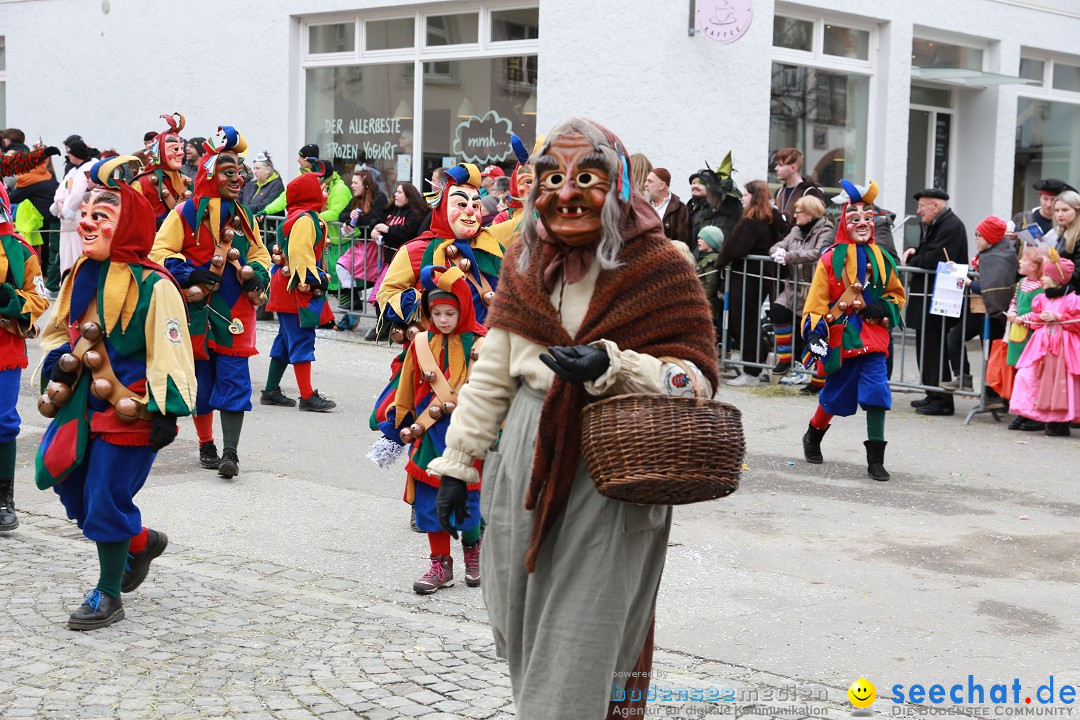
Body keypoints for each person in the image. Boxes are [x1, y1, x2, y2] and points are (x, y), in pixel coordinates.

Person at [428, 117, 719, 719]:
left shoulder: (662, 264)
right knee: (519, 623)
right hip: (525, 460)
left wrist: (614, 366)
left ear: (616, 186)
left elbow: (695, 381)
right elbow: (493, 367)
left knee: (580, 641)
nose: (566, 193)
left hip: (612, 469)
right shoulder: (526, 257)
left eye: (586, 176)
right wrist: (458, 461)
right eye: (552, 177)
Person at [36, 156, 197, 630]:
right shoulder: (79, 274)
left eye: (100, 216)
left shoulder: (156, 284)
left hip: (132, 411)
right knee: (71, 489)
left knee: (106, 498)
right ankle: (141, 541)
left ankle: (108, 594)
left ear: (125, 224)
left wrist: (168, 411)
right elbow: (56, 332)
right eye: (84, 212)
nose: (85, 221)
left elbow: (173, 349)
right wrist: (54, 366)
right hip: (81, 408)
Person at [149, 127, 271, 478]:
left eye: (240, 172)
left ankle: (231, 451)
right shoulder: (186, 212)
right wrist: (189, 273)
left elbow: (261, 252)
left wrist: (255, 274)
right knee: (200, 382)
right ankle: (206, 444)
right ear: (210, 175)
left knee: (234, 379)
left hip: (237, 311)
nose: (238, 178)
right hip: (197, 309)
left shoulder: (245, 215)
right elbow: (160, 251)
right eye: (228, 172)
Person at [371, 266, 486, 593]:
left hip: (467, 435)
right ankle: (440, 564)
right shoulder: (421, 343)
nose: (444, 319)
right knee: (429, 501)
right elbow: (405, 389)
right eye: (436, 313)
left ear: (463, 308)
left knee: (469, 501)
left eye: (451, 312)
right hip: (429, 435)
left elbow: (496, 392)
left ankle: (473, 552)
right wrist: (396, 429)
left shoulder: (480, 342)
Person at [800, 179, 906, 481]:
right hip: (841, 336)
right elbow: (816, 301)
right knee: (834, 396)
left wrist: (882, 308)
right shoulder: (829, 259)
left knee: (877, 393)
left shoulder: (883, 258)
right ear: (845, 221)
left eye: (867, 217)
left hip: (872, 337)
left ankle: (875, 460)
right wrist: (815, 331)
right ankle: (813, 435)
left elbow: (896, 295)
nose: (862, 223)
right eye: (854, 217)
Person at [377, 166, 512, 329]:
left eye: (476, 206)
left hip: (482, 349)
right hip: (435, 350)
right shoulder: (415, 250)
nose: (470, 210)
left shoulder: (490, 244)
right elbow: (387, 294)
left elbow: (526, 221)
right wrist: (422, 307)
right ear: (443, 208)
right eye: (461, 204)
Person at [261, 158, 337, 412]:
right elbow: (300, 254)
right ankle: (306, 396)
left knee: (285, 340)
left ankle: (271, 390)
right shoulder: (306, 219)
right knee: (302, 337)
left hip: (287, 285)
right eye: (321, 188)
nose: (325, 192)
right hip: (296, 287)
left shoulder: (302, 216)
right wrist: (311, 281)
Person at [0, 183, 50, 532]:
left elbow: (39, 296)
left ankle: (4, 499)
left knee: (3, 422)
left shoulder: (19, 249)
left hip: (4, 350)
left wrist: (13, 302)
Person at [903, 188, 969, 416]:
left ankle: (941, 399)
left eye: (922, 206)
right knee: (926, 347)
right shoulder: (940, 224)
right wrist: (916, 253)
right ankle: (932, 393)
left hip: (938, 298)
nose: (918, 211)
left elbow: (935, 259)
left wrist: (912, 257)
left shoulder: (950, 226)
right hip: (931, 297)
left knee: (934, 348)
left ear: (936, 206)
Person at [1009, 250, 1080, 436]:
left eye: (1047, 276)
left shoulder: (1072, 300)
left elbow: (1077, 321)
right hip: (1042, 346)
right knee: (1030, 376)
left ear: (1057, 279)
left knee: (1061, 383)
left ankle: (1061, 421)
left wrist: (1059, 317)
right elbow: (1035, 316)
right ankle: (1042, 415)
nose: (1043, 278)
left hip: (1063, 348)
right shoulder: (1043, 298)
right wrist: (1025, 318)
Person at [942, 216, 1014, 399]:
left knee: (991, 354)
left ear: (990, 237)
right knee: (954, 337)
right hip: (979, 311)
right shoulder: (988, 254)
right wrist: (958, 269)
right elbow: (982, 277)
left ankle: (994, 397)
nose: (976, 239)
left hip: (995, 313)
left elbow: (991, 288)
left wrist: (967, 282)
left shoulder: (1001, 255)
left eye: (979, 235)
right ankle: (963, 378)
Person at [768, 195, 834, 390]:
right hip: (794, 286)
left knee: (815, 332)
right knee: (778, 311)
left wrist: (789, 256)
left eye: (799, 212)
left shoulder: (826, 230)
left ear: (811, 213)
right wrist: (777, 252)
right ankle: (786, 359)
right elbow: (779, 245)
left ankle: (818, 380)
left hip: (816, 288)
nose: (794, 215)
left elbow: (818, 252)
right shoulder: (796, 229)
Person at [720, 179, 782, 386]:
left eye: (745, 195)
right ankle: (758, 360)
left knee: (743, 320)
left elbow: (734, 248)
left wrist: (720, 263)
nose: (742, 199)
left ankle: (752, 370)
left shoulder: (752, 221)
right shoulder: (768, 219)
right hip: (758, 276)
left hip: (748, 276)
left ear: (754, 197)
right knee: (749, 319)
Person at [335, 169, 388, 333]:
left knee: (376, 282)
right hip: (361, 243)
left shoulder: (379, 197)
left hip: (375, 245)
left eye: (355, 183)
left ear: (365, 184)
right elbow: (340, 216)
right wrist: (350, 216)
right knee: (341, 266)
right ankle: (354, 305)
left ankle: (381, 322)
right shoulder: (356, 199)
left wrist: (356, 220)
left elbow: (374, 218)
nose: (352, 185)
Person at [367, 181, 428, 318]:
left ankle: (388, 326)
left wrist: (388, 229)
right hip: (388, 260)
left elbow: (407, 232)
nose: (395, 195)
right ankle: (381, 325)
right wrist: (375, 229)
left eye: (400, 192)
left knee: (389, 294)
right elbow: (375, 219)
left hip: (403, 262)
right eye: (396, 191)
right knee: (380, 293)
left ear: (409, 196)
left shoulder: (414, 213)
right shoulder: (391, 209)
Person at [1005, 246, 1047, 431]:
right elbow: (1014, 300)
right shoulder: (1021, 283)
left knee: (1030, 376)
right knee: (1019, 375)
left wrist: (1025, 318)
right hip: (1018, 332)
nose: (1020, 262)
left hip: (1031, 335)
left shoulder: (1042, 288)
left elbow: (1040, 311)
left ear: (1035, 266)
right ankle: (1022, 412)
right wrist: (1013, 311)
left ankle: (1032, 414)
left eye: (1024, 259)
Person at [131, 114, 193, 229]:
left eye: (181, 148)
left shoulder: (186, 180)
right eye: (175, 149)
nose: (181, 153)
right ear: (159, 151)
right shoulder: (142, 183)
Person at [51, 139, 94, 278]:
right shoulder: (73, 170)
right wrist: (59, 203)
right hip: (67, 221)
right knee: (66, 254)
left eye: (69, 153)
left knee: (78, 252)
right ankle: (66, 281)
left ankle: (77, 280)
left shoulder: (88, 168)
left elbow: (79, 194)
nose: (67, 156)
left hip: (77, 220)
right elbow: (61, 190)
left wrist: (67, 209)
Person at [687, 152, 743, 257]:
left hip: (720, 262)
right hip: (704, 260)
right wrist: (692, 260)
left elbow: (729, 239)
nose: (709, 194)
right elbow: (701, 239)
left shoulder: (734, 208)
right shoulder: (706, 209)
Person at [772, 147, 824, 235]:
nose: (776, 168)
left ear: (793, 168)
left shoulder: (810, 192)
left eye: (780, 165)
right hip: (779, 245)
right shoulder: (779, 192)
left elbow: (815, 224)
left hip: (798, 244)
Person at [644, 167, 691, 247]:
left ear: (661, 186)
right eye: (646, 180)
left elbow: (683, 242)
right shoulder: (643, 206)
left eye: (650, 181)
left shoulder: (680, 209)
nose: (645, 184)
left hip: (667, 256)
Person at [696, 225, 724, 335]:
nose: (698, 241)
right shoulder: (704, 258)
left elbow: (711, 283)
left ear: (711, 242)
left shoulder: (711, 260)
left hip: (706, 302)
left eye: (702, 238)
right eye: (698, 238)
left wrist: (702, 300)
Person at [239, 152, 285, 216]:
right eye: (254, 168)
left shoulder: (277, 185)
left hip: (267, 224)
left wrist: (243, 210)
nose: (255, 172)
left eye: (258, 168)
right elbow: (238, 198)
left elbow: (265, 205)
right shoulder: (250, 184)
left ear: (268, 170)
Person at [1051, 190, 1080, 293]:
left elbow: (1077, 274)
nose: (1059, 214)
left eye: (1065, 210)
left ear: (1077, 210)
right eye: (1056, 210)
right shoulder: (1064, 232)